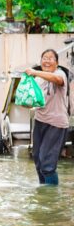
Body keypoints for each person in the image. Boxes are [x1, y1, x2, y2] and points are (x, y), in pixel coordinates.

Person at [25, 49, 70, 185]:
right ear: (41, 61)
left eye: (51, 58)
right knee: (38, 161)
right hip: (40, 121)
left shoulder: (60, 73)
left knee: (48, 165)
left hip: (56, 123)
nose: (47, 60)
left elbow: (57, 80)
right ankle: (43, 193)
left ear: (56, 63)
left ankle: (51, 198)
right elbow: (34, 101)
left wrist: (34, 71)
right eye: (44, 58)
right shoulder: (38, 80)